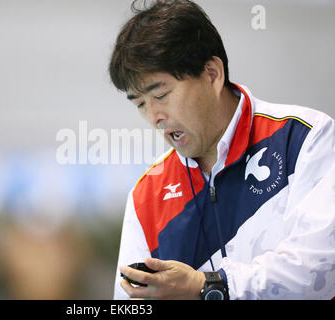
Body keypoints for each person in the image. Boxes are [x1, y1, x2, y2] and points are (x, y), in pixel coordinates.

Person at [108, 0, 335, 300]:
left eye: (160, 95)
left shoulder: (305, 137)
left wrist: (207, 286)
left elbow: (319, 272)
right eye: (140, 104)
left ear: (212, 74)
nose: (153, 117)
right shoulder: (145, 197)